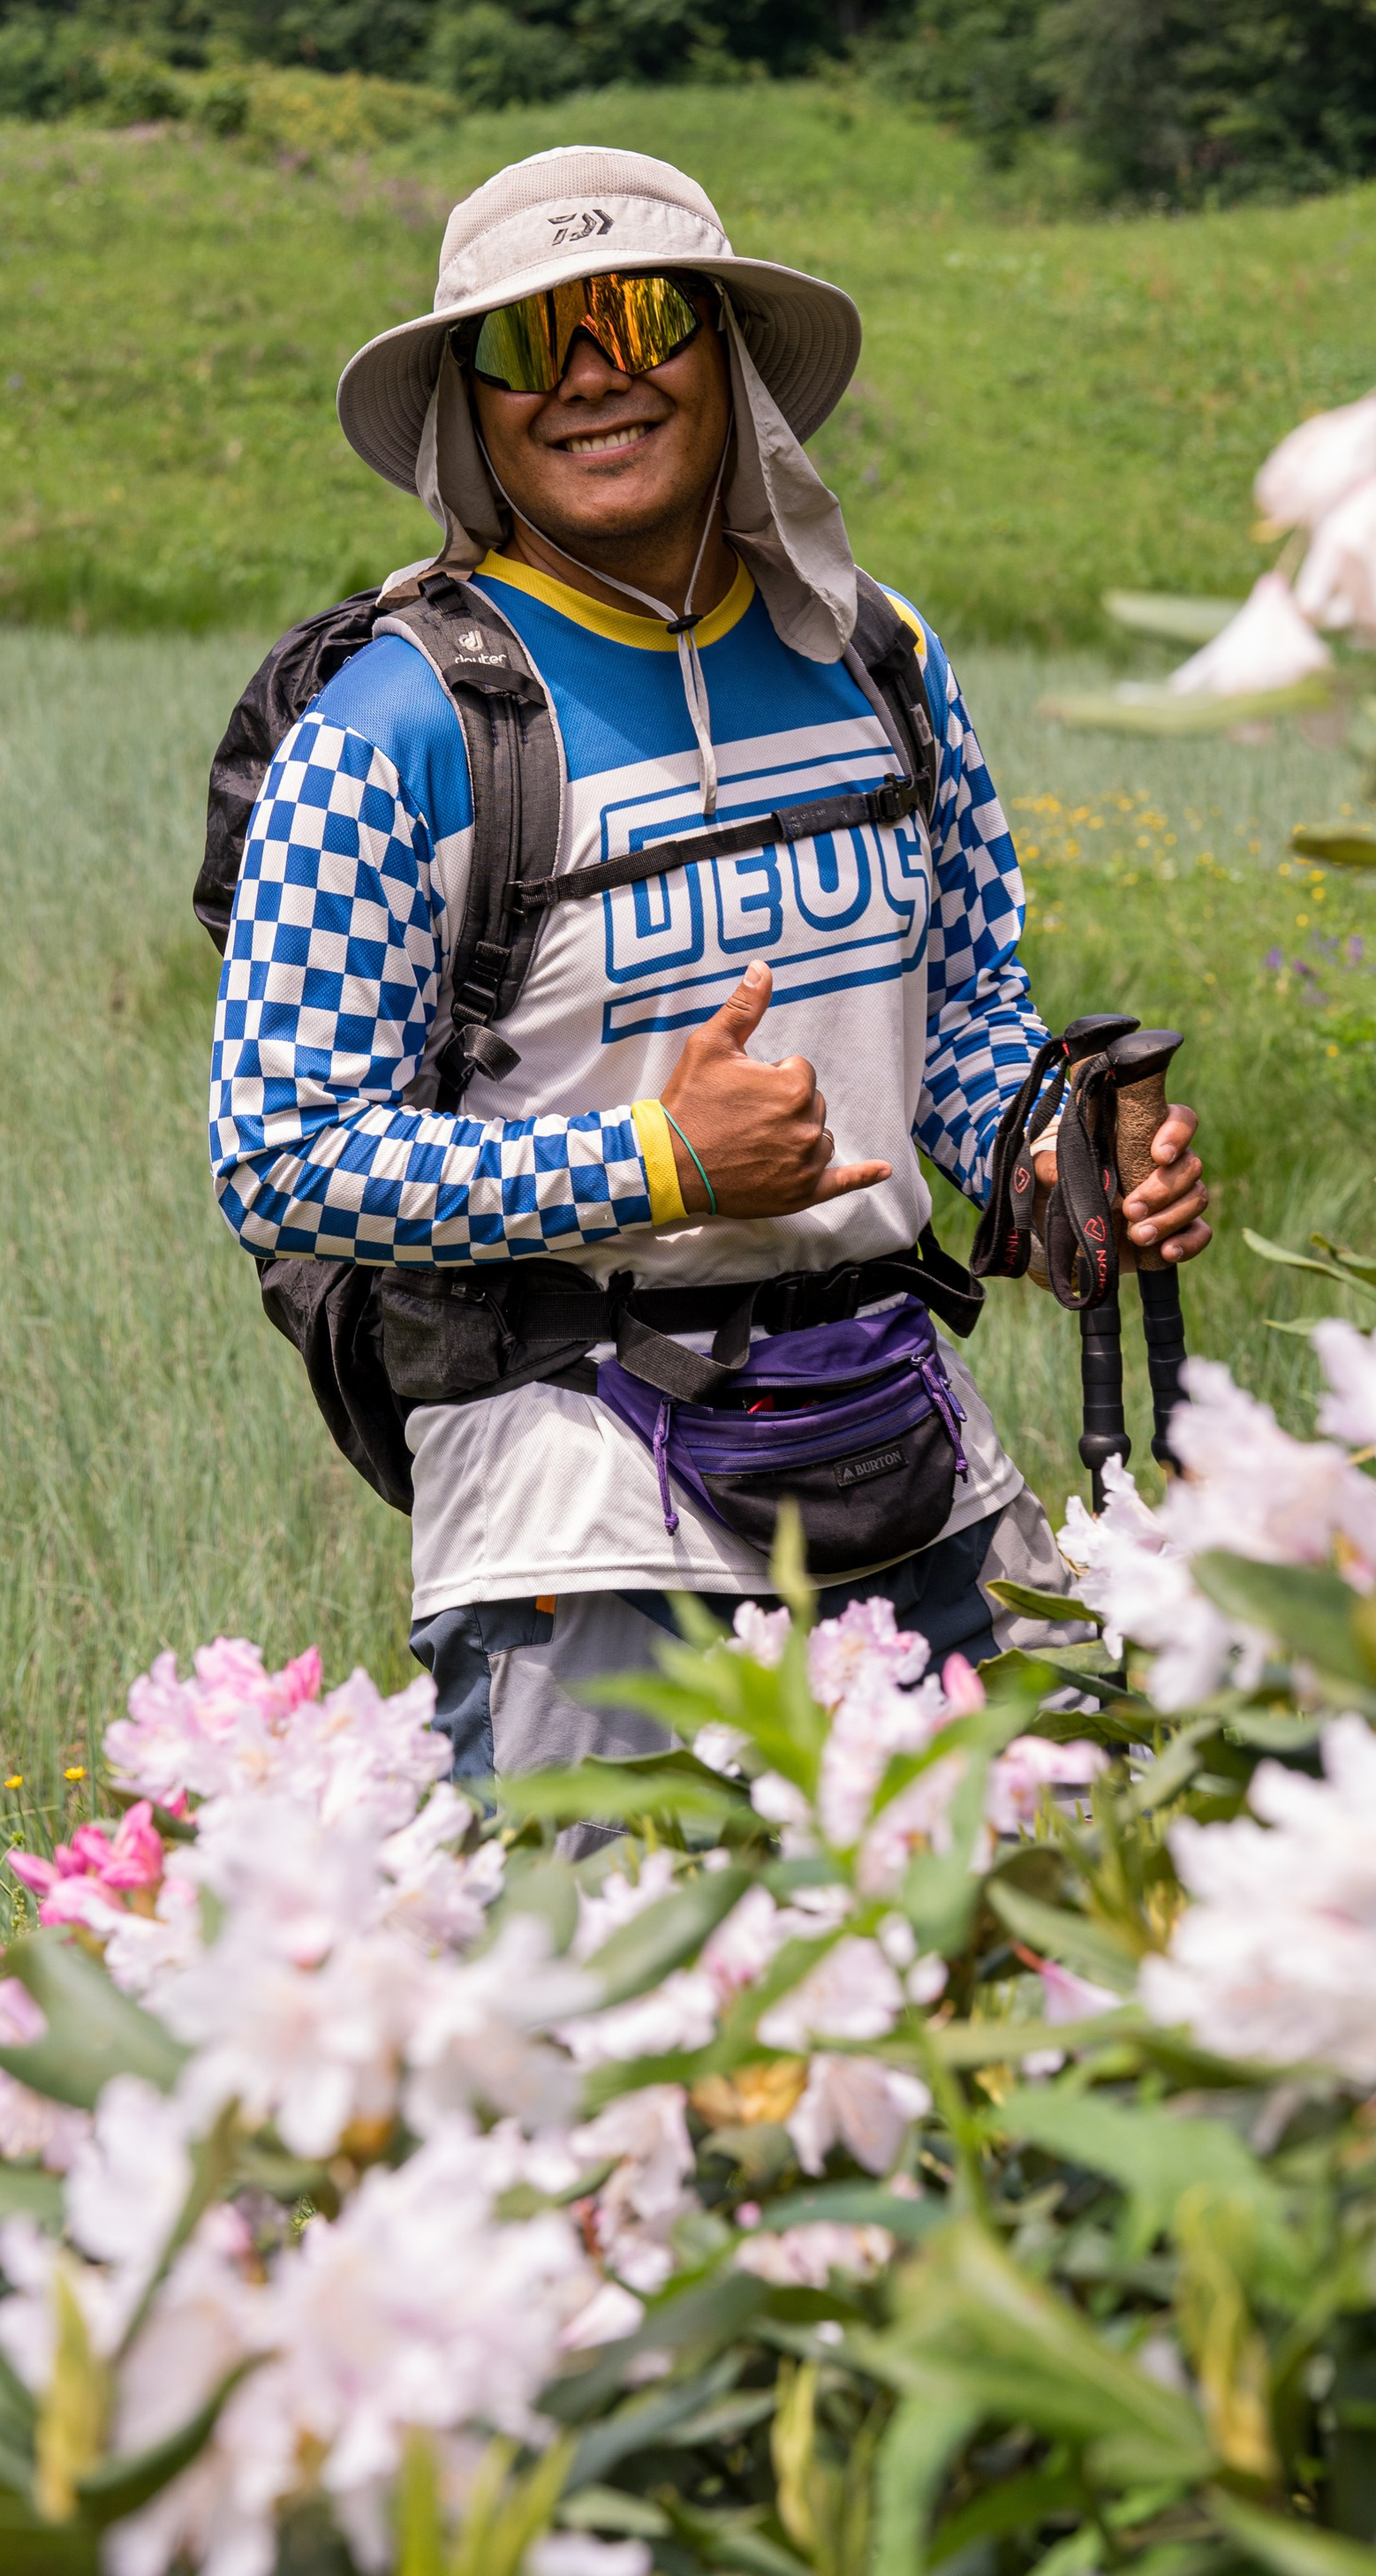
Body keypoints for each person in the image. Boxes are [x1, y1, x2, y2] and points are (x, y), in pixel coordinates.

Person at [207, 145, 1208, 1785]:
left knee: (1036, 1974)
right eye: (535, 341)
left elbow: (962, 1021)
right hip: (572, 1506)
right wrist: (659, 1165)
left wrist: (1056, 1157)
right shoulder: (393, 729)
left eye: (641, 316)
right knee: (616, 2028)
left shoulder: (877, 656)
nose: (594, 373)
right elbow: (280, 1154)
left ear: (722, 353)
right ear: (472, 402)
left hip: (903, 1439)